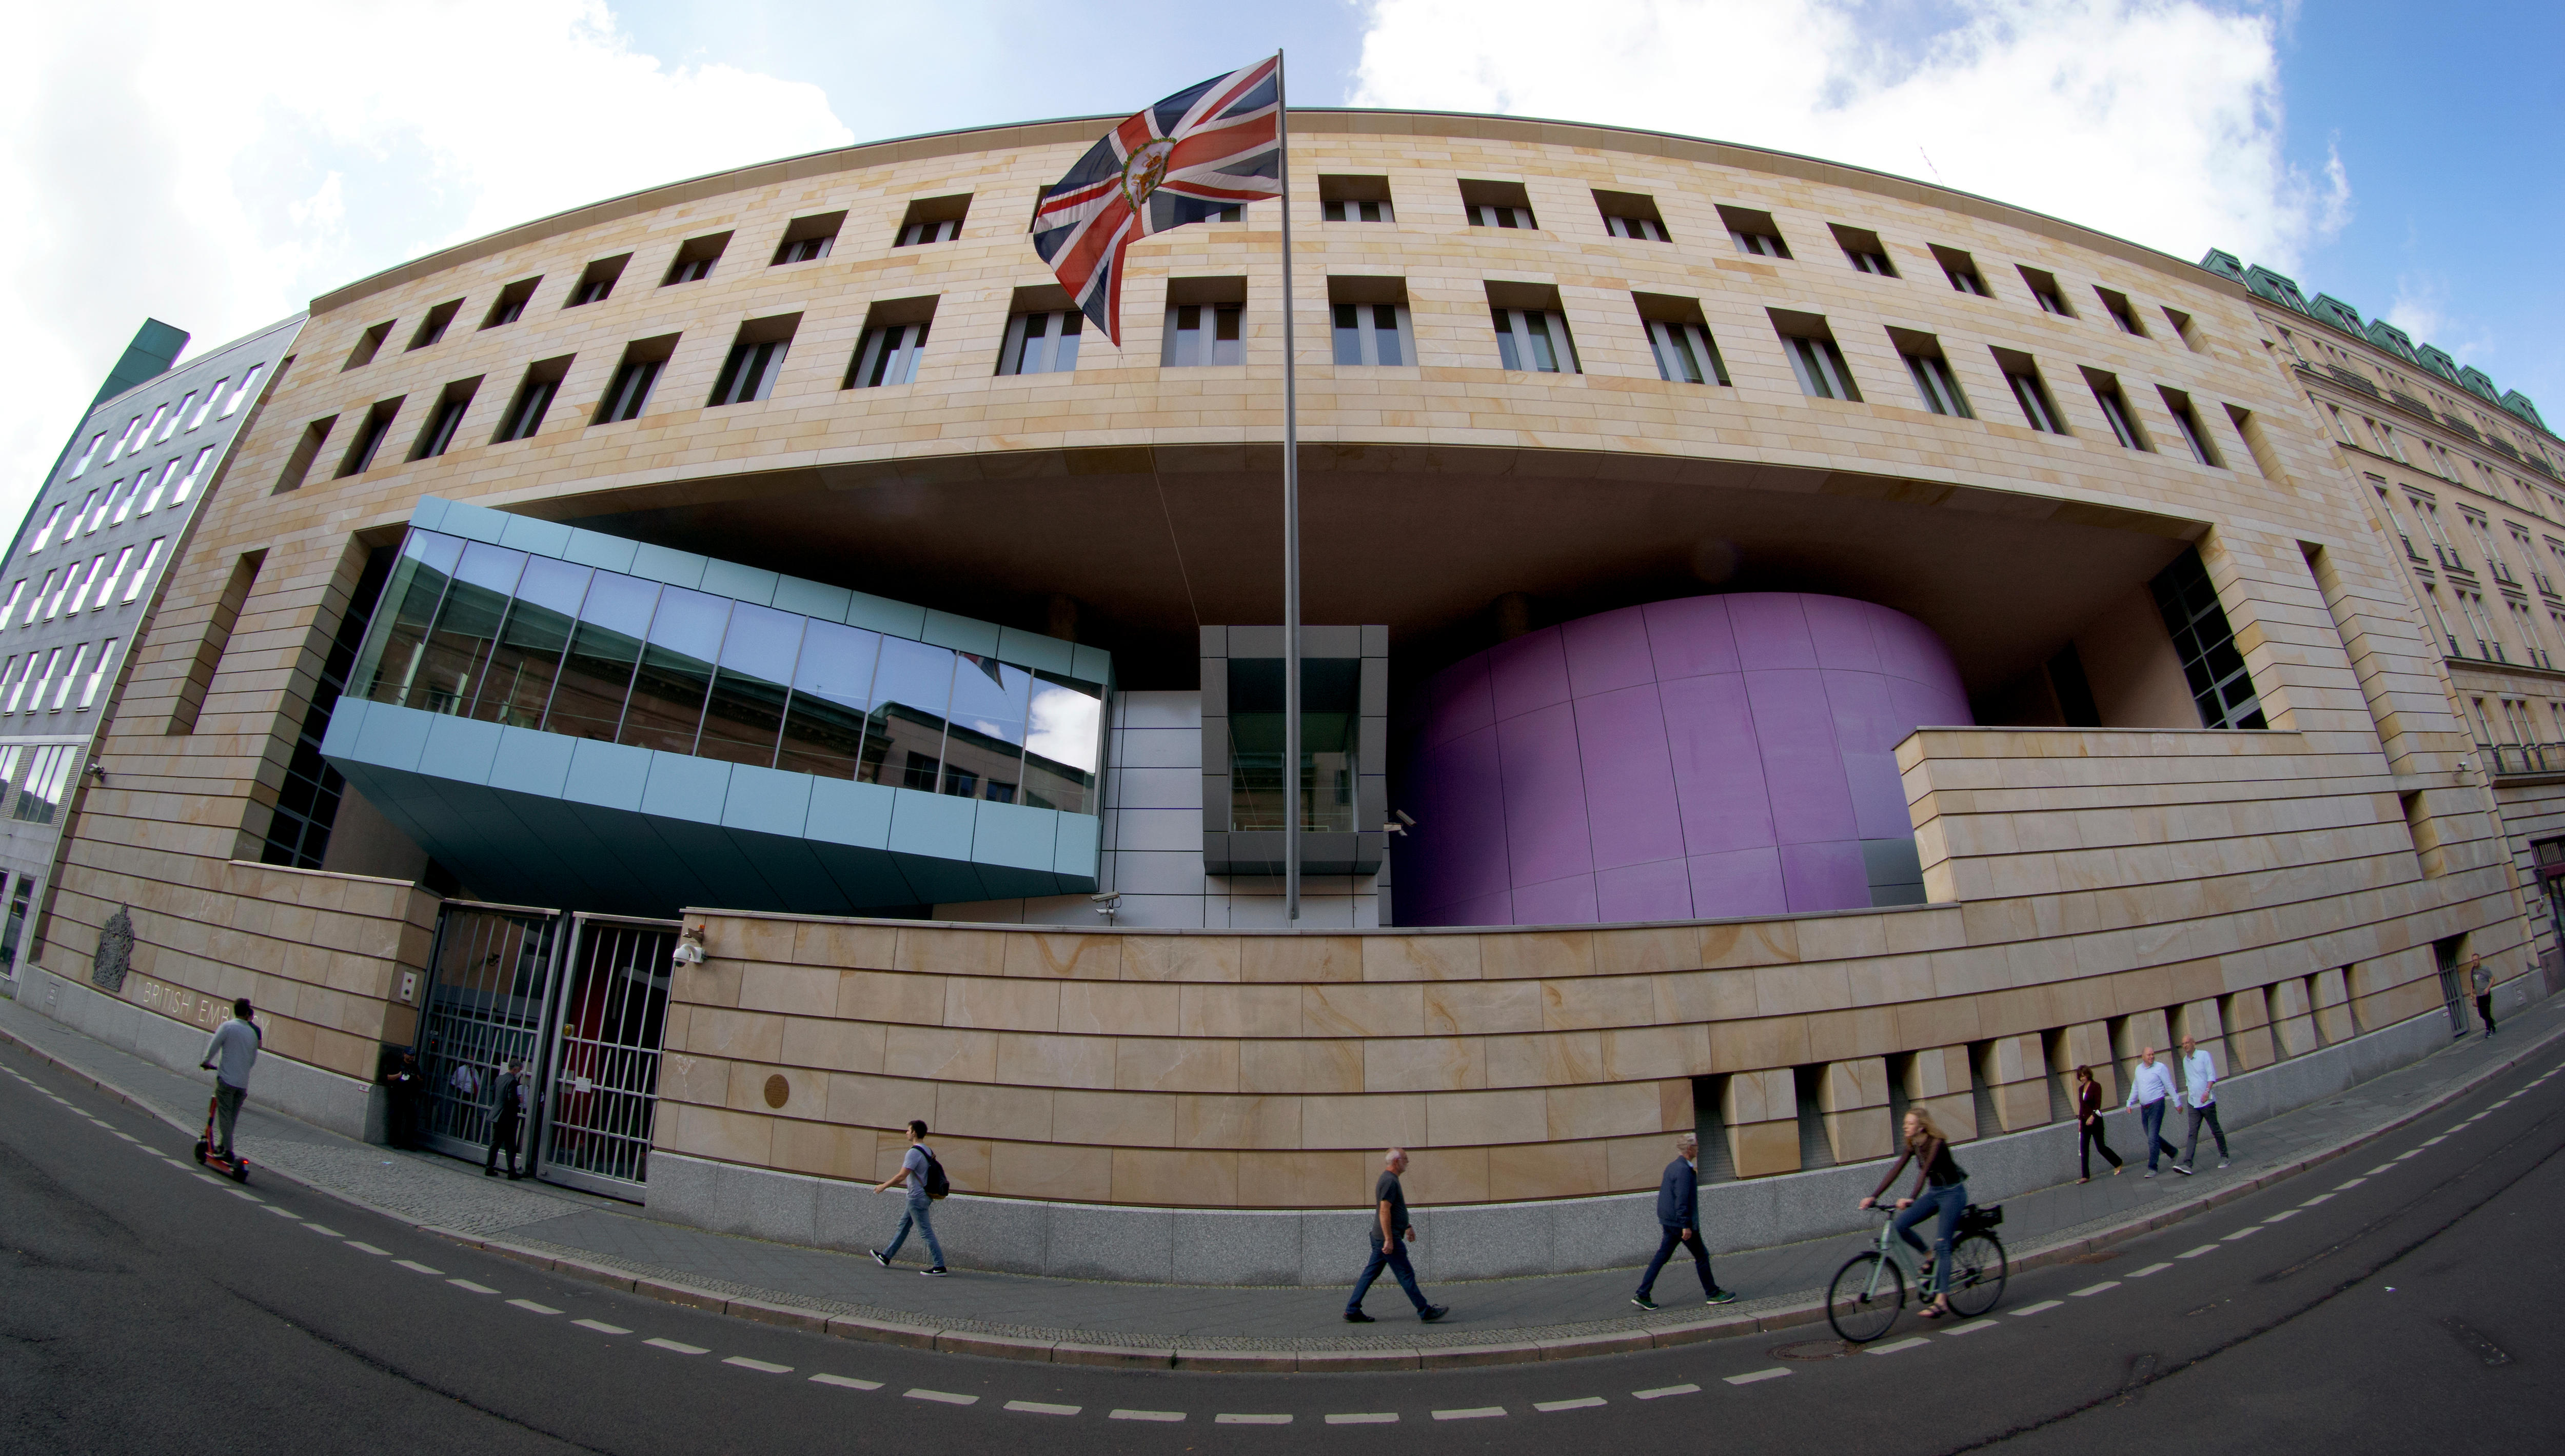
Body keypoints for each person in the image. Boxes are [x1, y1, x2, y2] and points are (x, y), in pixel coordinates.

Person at [1860, 1109, 1968, 1319]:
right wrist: (1874, 1196)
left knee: (1943, 1245)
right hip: (1935, 1192)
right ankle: (1929, 1257)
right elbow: (1895, 1170)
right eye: (1905, 1123)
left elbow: (1925, 1171)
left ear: (1921, 1126)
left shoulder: (1936, 1144)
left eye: (1909, 1123)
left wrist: (1911, 1198)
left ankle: (1942, 1301)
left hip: (1953, 1194)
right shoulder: (1914, 1144)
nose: (1905, 1127)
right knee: (1900, 1227)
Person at [1632, 1132, 1737, 1309]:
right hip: (1681, 1224)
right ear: (1689, 1149)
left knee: (1661, 1257)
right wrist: (1686, 1225)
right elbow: (1681, 1200)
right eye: (1696, 1145)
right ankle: (1712, 1293)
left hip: (1670, 1222)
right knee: (1702, 1256)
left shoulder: (1673, 1166)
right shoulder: (1683, 1171)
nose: (1698, 1148)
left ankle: (1643, 1294)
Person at [1344, 1147, 1447, 1324]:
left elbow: (1394, 1210)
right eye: (1405, 1159)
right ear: (1396, 1161)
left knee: (1371, 1273)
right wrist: (1389, 1240)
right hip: (1387, 1237)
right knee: (1406, 1274)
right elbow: (1384, 1211)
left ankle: (1352, 1309)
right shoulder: (1389, 1181)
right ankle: (1424, 1310)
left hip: (1383, 1237)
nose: (1408, 1162)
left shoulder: (1391, 1180)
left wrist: (1407, 1226)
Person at [870, 1119, 948, 1275]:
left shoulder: (914, 1152)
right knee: (904, 1226)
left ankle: (939, 1266)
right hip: (921, 1197)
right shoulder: (927, 1150)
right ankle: (886, 1256)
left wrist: (883, 1186)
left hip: (916, 1198)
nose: (906, 1132)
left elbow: (901, 1176)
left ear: (914, 1133)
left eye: (908, 1130)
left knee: (926, 1232)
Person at [196, 998, 261, 1160]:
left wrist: (206, 1062)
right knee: (232, 1117)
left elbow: (214, 1046)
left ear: (235, 1011)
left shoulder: (228, 1027)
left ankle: (228, 1151)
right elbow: (252, 1060)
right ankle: (222, 1146)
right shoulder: (253, 1033)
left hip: (226, 1080)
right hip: (242, 1084)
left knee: (224, 1115)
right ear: (247, 1014)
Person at [2124, 1044, 2187, 1178]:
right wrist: (2130, 1102)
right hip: (2144, 1108)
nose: (2152, 1057)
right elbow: (2136, 1086)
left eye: (2153, 1054)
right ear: (2143, 1057)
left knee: (2152, 1138)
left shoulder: (2160, 1068)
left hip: (2157, 1105)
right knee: (2152, 1137)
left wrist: (2177, 1102)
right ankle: (2173, 1152)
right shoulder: (2139, 1070)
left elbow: (2169, 1085)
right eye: (2149, 1055)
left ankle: (2153, 1167)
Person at [2177, 1034, 2228, 1172]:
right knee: (2192, 1133)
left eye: (2188, 1043)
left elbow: (2211, 1076)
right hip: (2193, 1103)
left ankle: (2225, 1156)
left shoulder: (2204, 1056)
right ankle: (2187, 1164)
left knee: (2215, 1129)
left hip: (2207, 1101)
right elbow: (2189, 1081)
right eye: (2183, 1044)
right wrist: (2189, 1096)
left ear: (2194, 1043)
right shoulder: (2185, 1061)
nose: (2185, 1046)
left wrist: (2207, 1092)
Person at [2072, 1065, 2122, 1183]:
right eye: (2081, 1077)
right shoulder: (2081, 1089)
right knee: (2084, 1148)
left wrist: (2092, 1116)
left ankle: (2118, 1162)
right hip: (2084, 1121)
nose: (2082, 1078)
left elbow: (2098, 1104)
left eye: (2084, 1076)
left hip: (2096, 1121)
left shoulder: (2096, 1086)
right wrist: (2080, 1121)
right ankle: (2085, 1176)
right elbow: (2082, 1107)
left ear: (2088, 1075)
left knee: (2101, 1147)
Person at [484, 1056, 528, 1178]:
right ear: (515, 1069)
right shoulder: (512, 1082)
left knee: (495, 1143)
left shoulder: (499, 1079)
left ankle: (489, 1167)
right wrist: (518, 1100)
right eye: (519, 1070)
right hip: (507, 1117)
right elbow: (511, 1099)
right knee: (510, 1145)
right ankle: (511, 1172)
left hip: (497, 1114)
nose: (520, 1073)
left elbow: (495, 1097)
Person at [383, 1050, 424, 1150]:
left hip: (410, 1096)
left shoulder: (415, 1066)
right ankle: (396, 1141)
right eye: (410, 1055)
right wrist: (400, 1075)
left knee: (411, 1121)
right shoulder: (397, 1064)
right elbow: (389, 1077)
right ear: (405, 1054)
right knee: (397, 1119)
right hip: (398, 1095)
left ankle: (408, 1142)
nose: (411, 1057)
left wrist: (417, 1078)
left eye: (413, 1055)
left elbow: (421, 1079)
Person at [2470, 953, 2497, 1037]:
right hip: (2479, 996)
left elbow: (2493, 979)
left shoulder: (2485, 969)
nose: (2475, 962)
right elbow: (2472, 983)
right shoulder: (2473, 971)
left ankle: (2488, 1030)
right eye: (2473, 960)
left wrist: (2488, 988)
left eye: (2476, 960)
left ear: (2479, 960)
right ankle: (2492, 1023)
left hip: (2486, 995)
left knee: (2487, 1012)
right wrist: (2471, 993)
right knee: (2482, 1014)